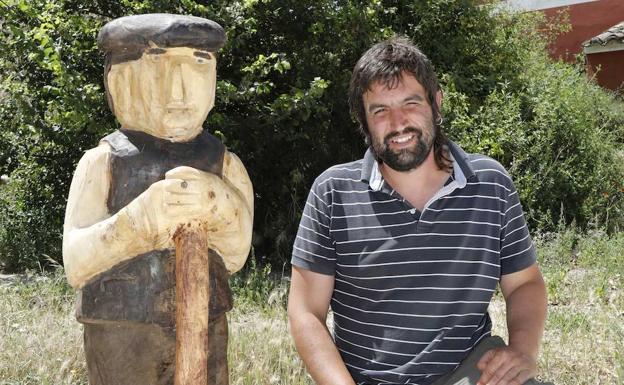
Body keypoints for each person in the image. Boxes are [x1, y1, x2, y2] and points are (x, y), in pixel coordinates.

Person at [288, 37, 549, 385]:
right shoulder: (333, 192)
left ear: (436, 103)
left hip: (473, 374)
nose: (398, 123)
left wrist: (523, 352)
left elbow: (525, 284)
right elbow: (306, 312)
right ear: (363, 121)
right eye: (379, 110)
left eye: (410, 103)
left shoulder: (490, 184)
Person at [62, 14, 253, 385]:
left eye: (198, 69)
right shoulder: (103, 163)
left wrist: (221, 206)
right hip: (121, 329)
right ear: (121, 81)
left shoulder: (224, 164)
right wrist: (138, 224)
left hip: (206, 322)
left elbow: (236, 254)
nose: (178, 92)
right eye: (158, 70)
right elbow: (76, 262)